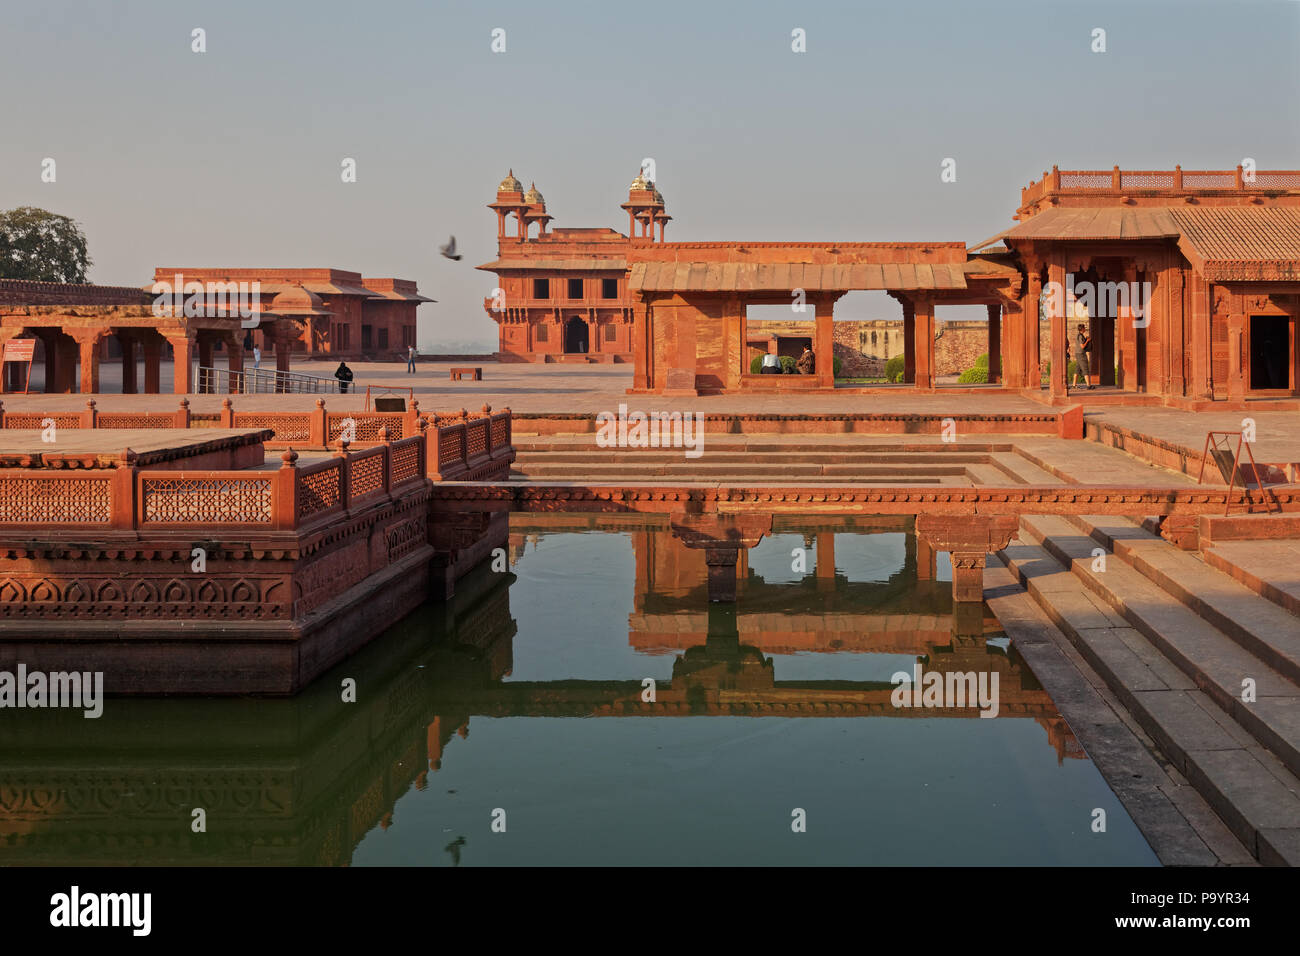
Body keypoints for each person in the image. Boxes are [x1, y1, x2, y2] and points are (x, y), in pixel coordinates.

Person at [1071, 323, 1092, 389]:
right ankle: (1089, 385)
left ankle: (1074, 385)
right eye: (1084, 328)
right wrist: (1087, 341)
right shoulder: (1080, 336)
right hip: (1081, 354)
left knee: (1077, 369)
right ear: (1082, 329)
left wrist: (1085, 339)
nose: (1085, 329)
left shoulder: (1079, 335)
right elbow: (1082, 346)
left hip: (1078, 353)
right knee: (1085, 368)